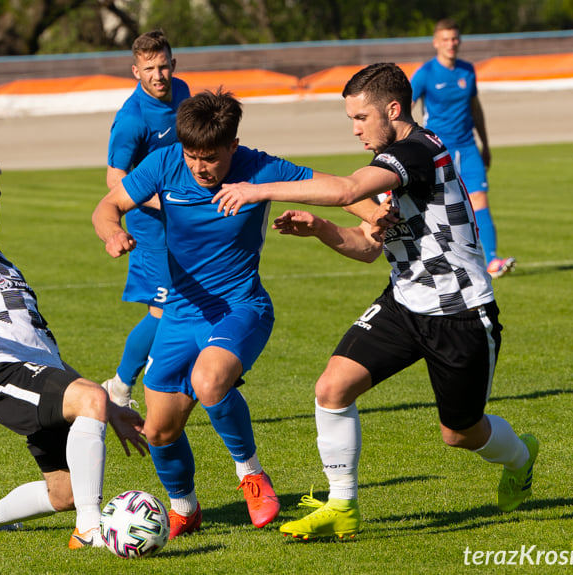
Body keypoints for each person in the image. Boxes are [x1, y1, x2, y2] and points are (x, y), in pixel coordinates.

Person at [213, 63, 539, 540]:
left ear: (393, 109)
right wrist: (322, 229)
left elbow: (346, 190)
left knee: (460, 433)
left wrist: (256, 189)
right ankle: (342, 505)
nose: (356, 129)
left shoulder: (418, 151)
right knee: (332, 388)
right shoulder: (391, 164)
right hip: (404, 305)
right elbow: (368, 247)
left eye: (361, 118)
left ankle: (521, 456)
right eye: (350, 119)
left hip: (460, 314)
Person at [93, 89, 387, 540]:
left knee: (208, 383)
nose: (198, 167)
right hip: (179, 313)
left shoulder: (257, 167)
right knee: (158, 430)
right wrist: (112, 232)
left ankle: (251, 474)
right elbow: (108, 205)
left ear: (233, 146)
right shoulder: (167, 162)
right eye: (192, 156)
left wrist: (375, 212)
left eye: (209, 157)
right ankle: (184, 509)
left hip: (240, 307)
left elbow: (337, 189)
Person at [0, 157, 147, 548]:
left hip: (37, 367)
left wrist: (107, 405)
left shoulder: (0, 260)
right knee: (89, 399)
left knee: (63, 494)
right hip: (2, 372)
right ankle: (89, 531)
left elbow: (40, 346)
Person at [101, 30, 192, 408]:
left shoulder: (184, 91)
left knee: (196, 294)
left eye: (164, 66)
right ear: (135, 71)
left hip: (187, 219)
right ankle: (120, 387)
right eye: (149, 69)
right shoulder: (132, 118)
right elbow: (114, 179)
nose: (159, 75)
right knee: (164, 305)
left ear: (174, 64)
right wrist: (161, 202)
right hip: (151, 226)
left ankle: (205, 368)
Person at [411, 18, 516, 279]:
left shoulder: (468, 71)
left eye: (455, 38)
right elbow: (403, 108)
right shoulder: (425, 74)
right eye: (445, 39)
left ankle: (491, 261)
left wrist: (486, 144)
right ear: (436, 42)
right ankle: (439, 262)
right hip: (438, 150)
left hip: (468, 147)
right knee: (439, 205)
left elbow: (475, 108)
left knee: (479, 199)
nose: (451, 44)